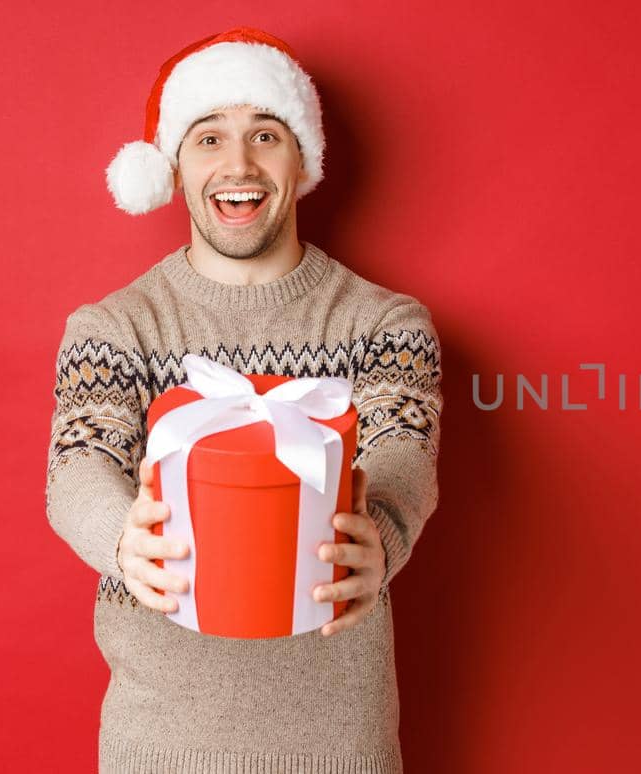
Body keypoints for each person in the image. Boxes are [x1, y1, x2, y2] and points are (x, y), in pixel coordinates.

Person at [45, 27, 441, 772]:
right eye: (207, 139)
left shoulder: (386, 324)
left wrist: (379, 540)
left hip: (338, 741)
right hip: (158, 741)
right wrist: (121, 538)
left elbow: (402, 459)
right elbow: (76, 471)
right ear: (172, 167)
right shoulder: (114, 327)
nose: (238, 165)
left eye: (265, 134)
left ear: (303, 159)